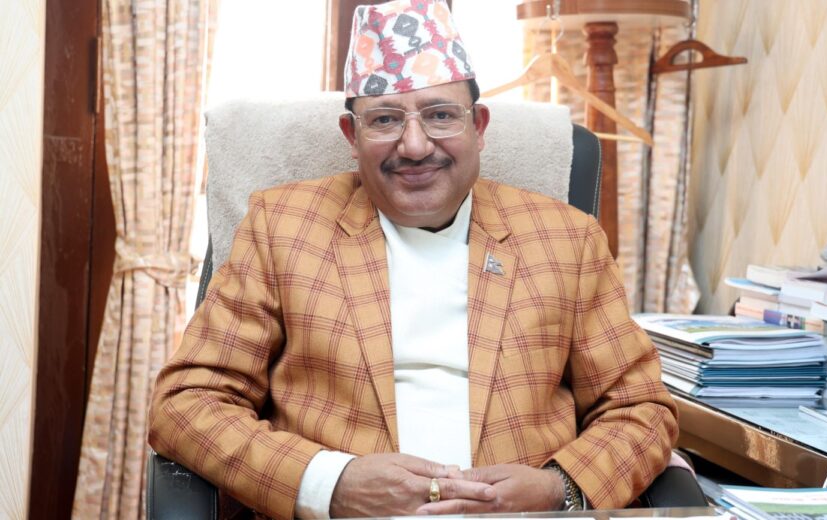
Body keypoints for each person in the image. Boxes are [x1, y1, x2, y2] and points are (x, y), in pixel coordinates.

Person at [149, 1, 678, 519]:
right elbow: (186, 403)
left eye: (441, 115)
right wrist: (329, 484)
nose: (416, 145)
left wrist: (557, 490)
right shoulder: (283, 226)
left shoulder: (566, 240)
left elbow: (640, 408)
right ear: (352, 136)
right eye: (384, 120)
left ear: (479, 127)